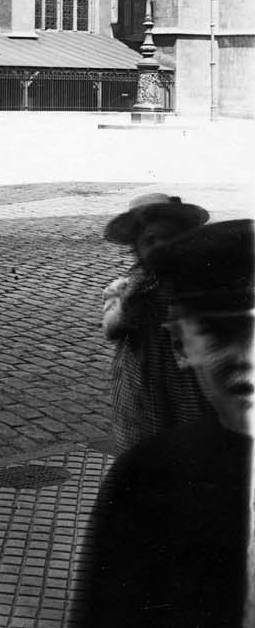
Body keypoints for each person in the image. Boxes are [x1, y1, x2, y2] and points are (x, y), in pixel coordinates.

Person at [57, 218, 254, 628]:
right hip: (154, 405)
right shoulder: (152, 480)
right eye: (220, 331)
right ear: (182, 344)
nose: (249, 360)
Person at [101, 192, 210, 450]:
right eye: (150, 240)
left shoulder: (197, 279)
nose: (161, 246)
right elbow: (111, 329)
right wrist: (130, 298)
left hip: (189, 374)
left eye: (170, 238)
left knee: (191, 436)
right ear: (137, 247)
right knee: (143, 440)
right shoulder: (127, 287)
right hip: (142, 373)